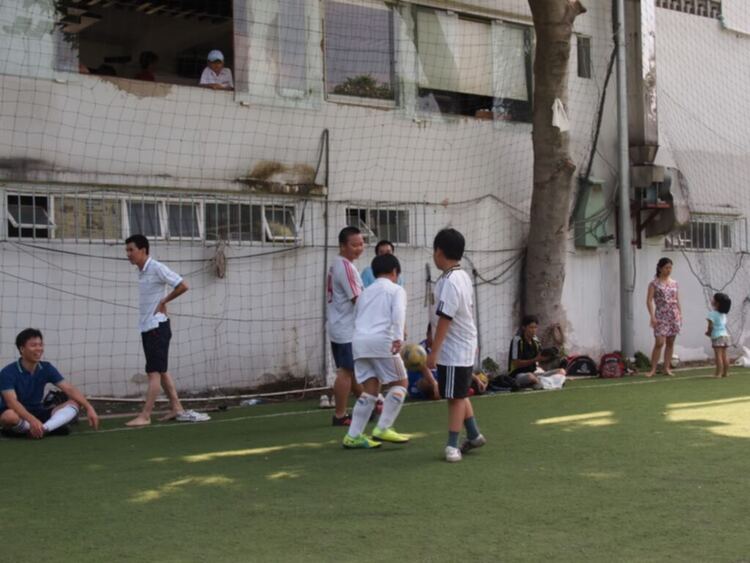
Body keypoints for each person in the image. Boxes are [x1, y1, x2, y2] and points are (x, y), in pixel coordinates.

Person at [124, 234, 209, 426]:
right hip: (148, 327)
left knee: (153, 372)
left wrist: (164, 300)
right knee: (161, 371)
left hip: (157, 327)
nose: (128, 254)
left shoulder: (156, 267)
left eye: (131, 250)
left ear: (143, 250)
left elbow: (183, 285)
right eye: (127, 250)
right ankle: (177, 408)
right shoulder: (142, 271)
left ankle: (145, 416)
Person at [426, 228, 485, 462]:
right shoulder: (461, 275)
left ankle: (452, 445)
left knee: (455, 397)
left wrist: (434, 351)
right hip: (463, 343)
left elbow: (446, 318)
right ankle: (474, 433)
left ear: (439, 251)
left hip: (454, 347)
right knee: (458, 392)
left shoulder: (450, 281)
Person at [343, 254, 410, 448]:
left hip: (359, 343)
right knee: (401, 382)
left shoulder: (364, 293)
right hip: (382, 342)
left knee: (370, 389)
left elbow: (356, 316)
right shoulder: (396, 289)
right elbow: (398, 312)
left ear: (374, 273)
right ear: (395, 272)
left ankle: (353, 436)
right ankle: (383, 427)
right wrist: (398, 337)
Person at [0, 328, 100, 438]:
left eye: (40, 345)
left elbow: (69, 389)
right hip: (17, 414)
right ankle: (38, 428)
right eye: (33, 345)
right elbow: (11, 402)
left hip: (38, 412)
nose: (39, 349)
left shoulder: (46, 368)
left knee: (74, 403)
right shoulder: (7, 373)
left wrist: (89, 407)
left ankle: (44, 429)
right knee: (9, 417)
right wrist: (32, 420)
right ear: (22, 349)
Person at [327, 226, 365, 425]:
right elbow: (357, 299)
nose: (359, 248)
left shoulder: (337, 263)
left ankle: (369, 403)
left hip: (338, 326)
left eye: (361, 243)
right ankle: (340, 415)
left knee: (352, 370)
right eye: (354, 245)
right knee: (346, 371)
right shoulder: (346, 267)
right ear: (342, 246)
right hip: (345, 328)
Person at [507, 315, 565, 390]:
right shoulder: (517, 340)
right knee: (530, 377)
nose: (534, 330)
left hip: (535, 373)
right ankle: (544, 383)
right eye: (531, 327)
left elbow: (540, 360)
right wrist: (535, 359)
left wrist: (549, 356)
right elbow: (516, 363)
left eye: (535, 327)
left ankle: (539, 384)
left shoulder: (535, 340)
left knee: (561, 371)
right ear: (524, 327)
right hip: (518, 375)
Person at [646, 257, 682, 377]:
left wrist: (680, 314)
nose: (669, 270)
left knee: (670, 342)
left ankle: (666, 368)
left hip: (673, 315)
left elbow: (677, 300)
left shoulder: (675, 283)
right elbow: (649, 300)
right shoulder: (654, 284)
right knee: (659, 342)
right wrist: (652, 316)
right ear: (660, 268)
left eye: (670, 267)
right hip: (661, 315)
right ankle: (653, 369)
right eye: (666, 267)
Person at [706, 292, 732, 378]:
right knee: (725, 354)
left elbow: (710, 326)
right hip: (725, 336)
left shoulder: (712, 314)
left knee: (718, 355)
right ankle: (725, 373)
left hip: (717, 336)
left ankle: (718, 373)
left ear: (717, 303)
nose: (712, 300)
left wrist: (708, 332)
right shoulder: (724, 314)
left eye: (714, 299)